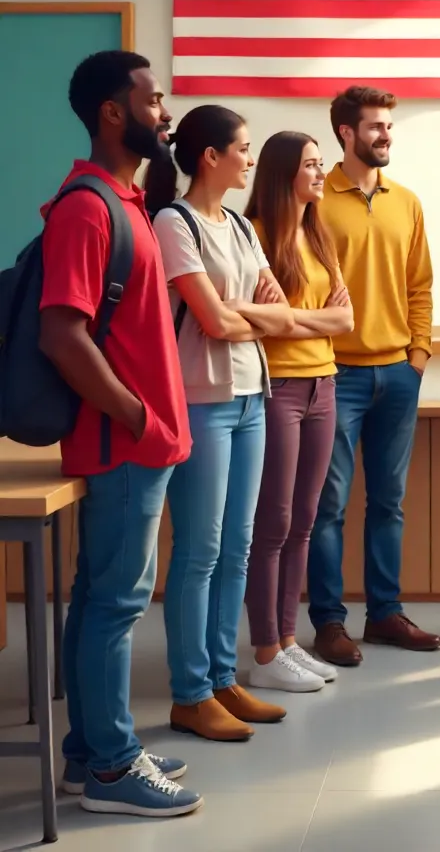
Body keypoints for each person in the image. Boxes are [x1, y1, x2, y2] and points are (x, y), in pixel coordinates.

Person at [39, 51, 202, 817]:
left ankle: (90, 753)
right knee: (115, 605)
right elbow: (63, 336)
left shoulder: (125, 201)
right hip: (123, 446)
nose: (164, 112)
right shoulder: (87, 207)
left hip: (142, 444)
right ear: (115, 111)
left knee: (98, 599)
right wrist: (136, 415)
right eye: (154, 98)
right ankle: (110, 768)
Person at [146, 105, 294, 742]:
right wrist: (248, 313)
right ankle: (189, 692)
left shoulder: (238, 224)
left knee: (236, 547)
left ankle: (220, 679)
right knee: (201, 551)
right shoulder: (172, 223)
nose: (251, 157)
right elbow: (213, 321)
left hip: (251, 398)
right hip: (201, 403)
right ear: (210, 156)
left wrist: (251, 314)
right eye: (243, 146)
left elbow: (281, 313)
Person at [308, 85, 440, 666]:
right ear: (346, 133)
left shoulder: (406, 201)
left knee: (389, 501)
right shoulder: (313, 199)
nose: (386, 135)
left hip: (397, 374)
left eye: (389, 126)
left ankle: (385, 613)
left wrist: (417, 356)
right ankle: (329, 623)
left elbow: (420, 286)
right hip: (334, 374)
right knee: (328, 504)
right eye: (375, 127)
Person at [243, 132, 353, 692]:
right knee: (274, 522)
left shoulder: (319, 233)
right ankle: (265, 652)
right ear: (285, 173)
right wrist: (304, 320)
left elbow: (344, 321)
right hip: (279, 388)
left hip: (323, 385)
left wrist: (293, 318)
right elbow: (265, 323)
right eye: (311, 165)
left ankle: (288, 640)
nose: (320, 173)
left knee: (305, 521)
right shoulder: (255, 236)